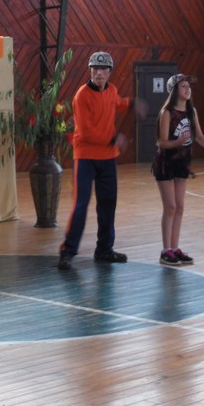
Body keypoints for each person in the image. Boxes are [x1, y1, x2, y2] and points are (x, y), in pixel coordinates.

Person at [57, 51, 137, 270]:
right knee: (81, 204)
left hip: (108, 158)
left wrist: (131, 103)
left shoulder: (112, 90)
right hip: (85, 157)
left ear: (109, 72)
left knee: (108, 204)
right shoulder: (81, 96)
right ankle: (67, 252)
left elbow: (116, 102)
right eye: (95, 69)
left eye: (103, 69)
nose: (99, 73)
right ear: (90, 71)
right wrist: (114, 138)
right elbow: (86, 131)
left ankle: (104, 249)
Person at [153, 74, 204, 266]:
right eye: (184, 86)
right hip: (166, 162)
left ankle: (175, 248)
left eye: (189, 86)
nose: (188, 90)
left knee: (180, 207)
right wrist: (177, 142)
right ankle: (165, 251)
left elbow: (199, 136)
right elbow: (162, 142)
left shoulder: (191, 111)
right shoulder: (167, 113)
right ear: (174, 90)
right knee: (170, 207)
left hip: (182, 162)